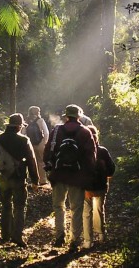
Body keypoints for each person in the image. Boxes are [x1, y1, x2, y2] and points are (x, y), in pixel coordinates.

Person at [43, 104, 96, 251]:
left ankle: (59, 236)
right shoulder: (85, 132)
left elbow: (48, 151)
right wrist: (89, 176)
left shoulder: (56, 130)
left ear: (66, 116)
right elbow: (91, 156)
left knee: (58, 206)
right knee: (76, 208)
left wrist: (49, 166)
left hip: (58, 174)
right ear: (79, 116)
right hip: (77, 176)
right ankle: (74, 240)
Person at [0, 113, 39, 247]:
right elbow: (31, 161)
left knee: (5, 205)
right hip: (18, 178)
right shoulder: (24, 140)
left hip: (2, 177)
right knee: (19, 207)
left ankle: (5, 235)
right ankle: (17, 236)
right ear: (19, 126)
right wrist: (35, 180)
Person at [83, 125, 115, 248]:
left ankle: (88, 241)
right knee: (99, 210)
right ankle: (101, 235)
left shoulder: (82, 151)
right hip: (101, 185)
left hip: (86, 187)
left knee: (87, 213)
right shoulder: (103, 151)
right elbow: (111, 168)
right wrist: (107, 177)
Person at [22, 106, 50, 185]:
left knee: (32, 162)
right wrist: (45, 142)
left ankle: (33, 180)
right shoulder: (40, 120)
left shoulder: (26, 121)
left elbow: (23, 133)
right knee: (41, 161)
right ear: (38, 112)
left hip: (30, 144)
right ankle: (42, 180)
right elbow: (46, 132)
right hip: (40, 143)